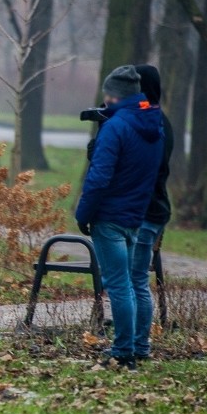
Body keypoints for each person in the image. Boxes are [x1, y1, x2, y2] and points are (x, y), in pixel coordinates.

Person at [76, 64, 163, 370]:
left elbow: (99, 178)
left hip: (109, 217)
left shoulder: (115, 127)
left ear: (112, 95)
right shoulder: (155, 125)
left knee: (119, 285)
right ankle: (138, 346)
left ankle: (123, 350)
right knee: (133, 283)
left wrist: (83, 213)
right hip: (134, 217)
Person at [129, 64, 174, 362]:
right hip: (153, 209)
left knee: (135, 279)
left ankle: (138, 345)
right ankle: (134, 341)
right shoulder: (160, 119)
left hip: (146, 211)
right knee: (134, 278)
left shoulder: (149, 120)